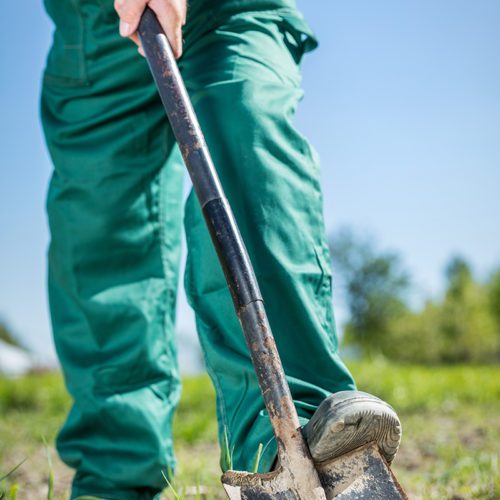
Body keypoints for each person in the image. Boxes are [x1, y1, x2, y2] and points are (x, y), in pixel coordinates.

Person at [41, 0, 402, 498]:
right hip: (94, 25)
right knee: (98, 227)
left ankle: (299, 442)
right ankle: (114, 476)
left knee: (244, 146)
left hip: (229, 10)